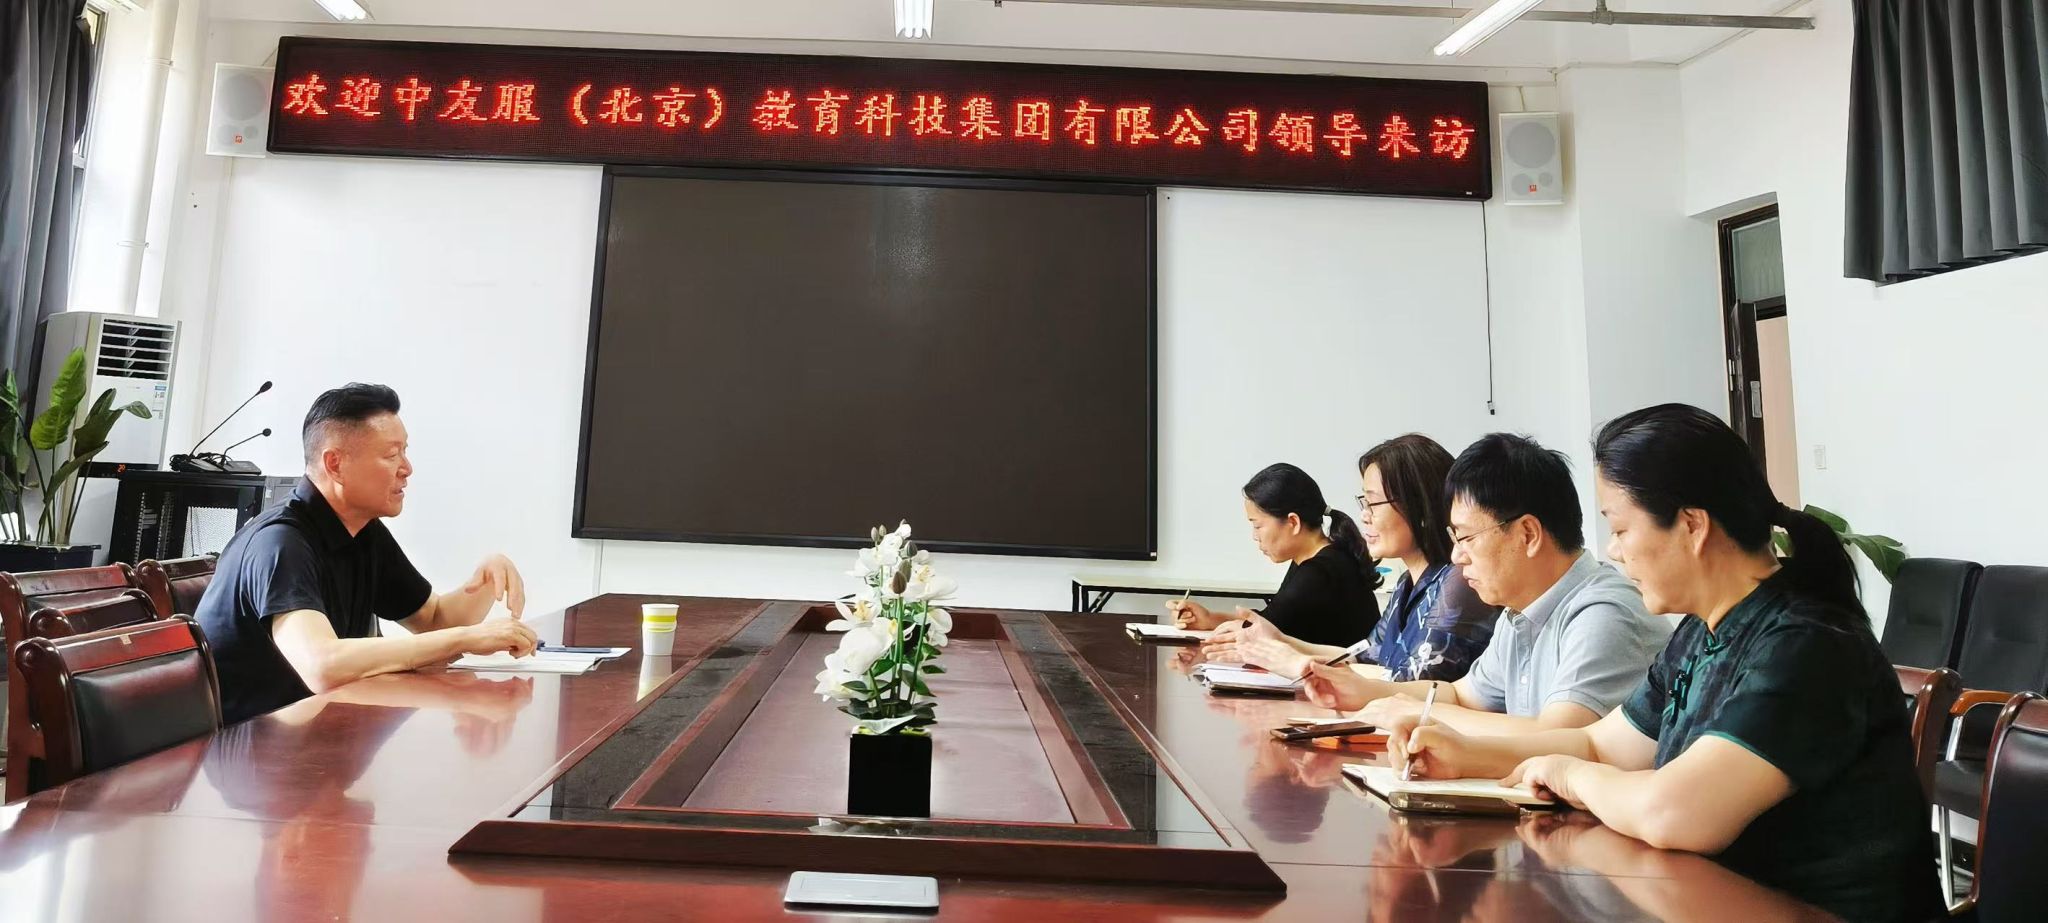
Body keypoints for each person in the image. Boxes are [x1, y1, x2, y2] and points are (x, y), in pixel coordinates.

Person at [1384, 404, 1940, 923]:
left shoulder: (1806, 644)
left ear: (1692, 526)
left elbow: (1675, 813)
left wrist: (1571, 776)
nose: (1613, 550)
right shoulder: (1702, 631)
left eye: (1621, 529)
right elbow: (1602, 744)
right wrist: (1466, 755)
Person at [194, 383, 540, 724]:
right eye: (391, 455)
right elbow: (321, 665)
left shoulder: (363, 531)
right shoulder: (281, 543)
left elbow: (435, 620)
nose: (407, 468)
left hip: (321, 730)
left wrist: (485, 579)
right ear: (335, 464)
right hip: (251, 745)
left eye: (405, 452)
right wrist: (466, 639)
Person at [1297, 434, 1670, 736]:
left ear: (1527, 534)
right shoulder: (1519, 611)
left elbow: (1558, 736)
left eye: (1466, 538)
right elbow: (1462, 695)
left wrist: (1416, 713)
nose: (1457, 556)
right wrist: (1370, 692)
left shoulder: (1602, 613)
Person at [1204, 434, 1499, 683]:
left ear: (1418, 506)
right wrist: (1279, 640)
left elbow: (1411, 681)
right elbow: (1364, 657)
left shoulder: (1457, 583)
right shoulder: (1406, 584)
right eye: (1364, 502)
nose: (1365, 516)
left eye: (1373, 503)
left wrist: (1297, 662)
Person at [1168, 463, 1380, 648]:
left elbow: (1260, 632)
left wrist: (1213, 624)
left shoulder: (1320, 572)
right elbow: (1272, 621)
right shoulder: (1319, 559)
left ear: (1293, 522)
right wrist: (1209, 619)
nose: (1255, 536)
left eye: (1258, 526)